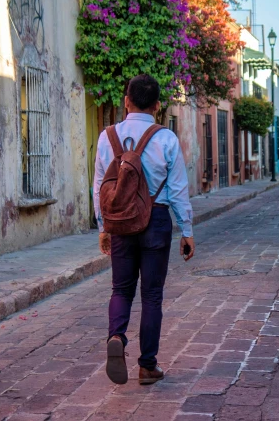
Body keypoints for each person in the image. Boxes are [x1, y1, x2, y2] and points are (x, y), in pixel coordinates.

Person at [92, 74, 195, 386]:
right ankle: (147, 365)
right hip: (157, 221)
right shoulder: (166, 139)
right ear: (158, 106)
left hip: (121, 222)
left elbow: (101, 186)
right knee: (152, 294)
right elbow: (178, 189)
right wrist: (186, 230)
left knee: (121, 289)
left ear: (126, 101)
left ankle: (117, 337)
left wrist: (103, 226)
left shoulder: (106, 136)